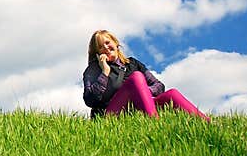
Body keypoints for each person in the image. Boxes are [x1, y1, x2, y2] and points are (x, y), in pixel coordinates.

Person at [82, 29, 210, 121]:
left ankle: (207, 123)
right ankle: (154, 122)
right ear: (97, 53)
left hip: (135, 109)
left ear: (115, 43)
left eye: (107, 42)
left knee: (172, 94)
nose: (106, 47)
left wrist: (141, 92)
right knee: (137, 77)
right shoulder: (94, 70)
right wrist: (105, 72)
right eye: (100, 46)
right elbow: (90, 100)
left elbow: (159, 86)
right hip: (109, 115)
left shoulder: (132, 63)